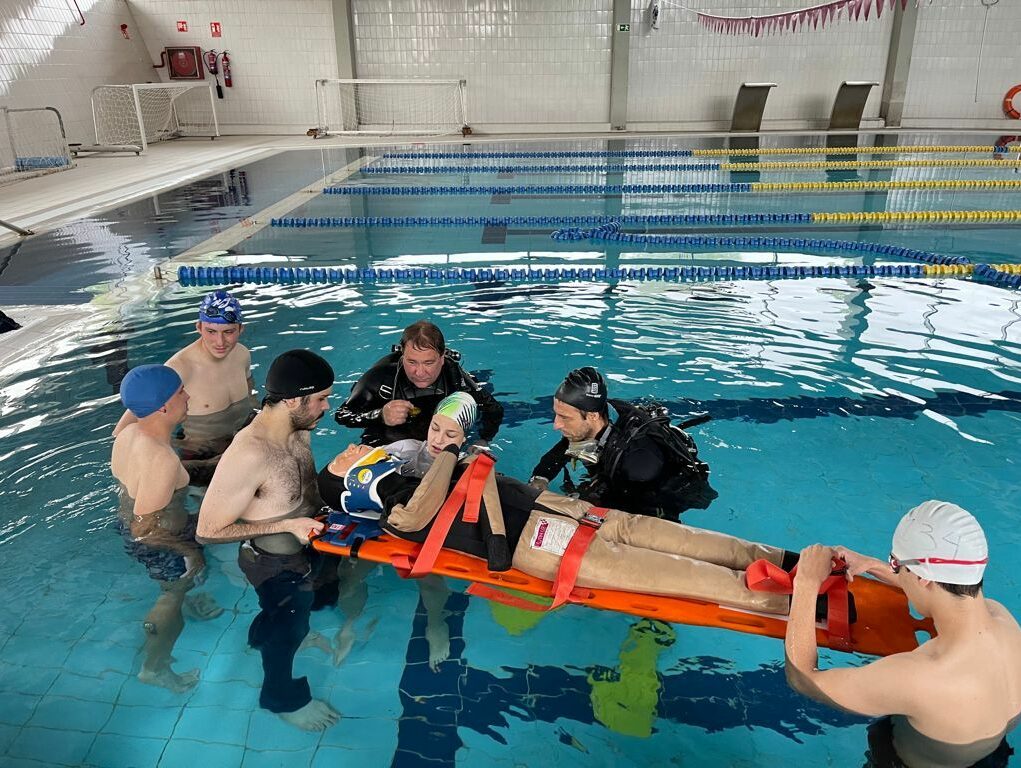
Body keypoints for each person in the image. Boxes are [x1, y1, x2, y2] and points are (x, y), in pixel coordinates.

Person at [319, 421, 798, 617]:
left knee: (672, 535)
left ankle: (785, 560)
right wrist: (450, 455)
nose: (350, 447)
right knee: (675, 573)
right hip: (540, 542)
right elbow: (415, 518)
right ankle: (797, 602)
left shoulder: (403, 474)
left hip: (555, 511)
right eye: (342, 456)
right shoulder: (392, 507)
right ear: (350, 483)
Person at [786, 501, 1021, 768]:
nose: (895, 570)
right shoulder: (1005, 622)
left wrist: (806, 582)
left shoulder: (918, 676)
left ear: (923, 577)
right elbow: (943, 591)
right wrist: (873, 566)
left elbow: (803, 679)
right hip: (990, 757)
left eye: (896, 564)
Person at [196, 349, 340, 732]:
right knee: (288, 629)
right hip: (273, 564)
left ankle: (261, 636)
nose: (327, 406)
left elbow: (305, 491)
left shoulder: (300, 428)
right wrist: (286, 527)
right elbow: (208, 531)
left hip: (307, 547)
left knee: (310, 607)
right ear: (294, 400)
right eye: (321, 398)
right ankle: (280, 698)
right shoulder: (250, 453)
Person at [318, 392, 480, 670]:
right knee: (351, 571)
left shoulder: (468, 466)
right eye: (435, 428)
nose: (438, 440)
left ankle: (435, 622)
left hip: (426, 532)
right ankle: (350, 623)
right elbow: (356, 477)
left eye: (451, 433)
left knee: (429, 577)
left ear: (465, 437)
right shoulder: (404, 450)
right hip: (381, 522)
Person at [110, 364, 223, 693]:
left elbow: (135, 405)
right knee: (171, 595)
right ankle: (155, 666)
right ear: (162, 405)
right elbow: (143, 529)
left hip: (129, 520)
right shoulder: (161, 460)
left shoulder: (128, 433)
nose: (187, 396)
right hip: (160, 540)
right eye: (179, 393)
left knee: (179, 583)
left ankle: (185, 597)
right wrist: (189, 552)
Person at [529, 366, 717, 519]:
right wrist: (540, 477)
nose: (556, 425)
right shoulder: (605, 412)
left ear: (593, 416)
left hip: (653, 497)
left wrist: (581, 503)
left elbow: (624, 520)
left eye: (564, 417)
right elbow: (566, 446)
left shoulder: (637, 465)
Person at [113, 290, 256, 484]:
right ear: (199, 327)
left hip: (243, 437)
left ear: (240, 329)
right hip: (202, 453)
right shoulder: (179, 368)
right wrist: (165, 449)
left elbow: (249, 389)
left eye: (228, 332)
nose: (220, 342)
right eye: (211, 331)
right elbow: (125, 427)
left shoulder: (242, 355)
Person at [333, 319, 503, 448]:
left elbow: (493, 409)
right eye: (412, 362)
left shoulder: (453, 375)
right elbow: (343, 415)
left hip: (437, 442)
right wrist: (380, 415)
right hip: (388, 443)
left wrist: (482, 440)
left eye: (428, 363)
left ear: (442, 358)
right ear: (402, 356)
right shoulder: (381, 376)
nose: (420, 373)